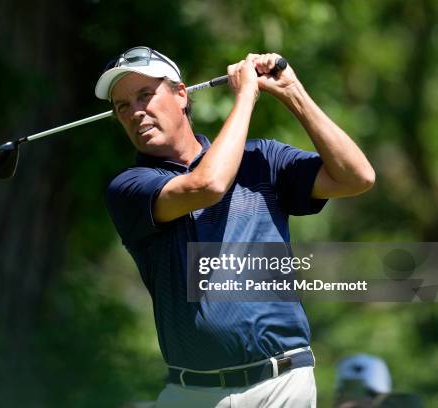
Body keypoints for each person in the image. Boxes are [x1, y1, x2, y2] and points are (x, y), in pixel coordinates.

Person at [96, 46, 375, 408]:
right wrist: (247, 95)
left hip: (282, 385)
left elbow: (358, 177)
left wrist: (292, 92)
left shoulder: (264, 160)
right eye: (121, 106)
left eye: (145, 95)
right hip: (192, 394)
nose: (135, 112)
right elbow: (208, 185)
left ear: (182, 94)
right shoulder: (130, 187)